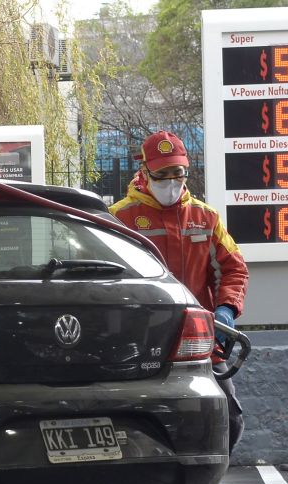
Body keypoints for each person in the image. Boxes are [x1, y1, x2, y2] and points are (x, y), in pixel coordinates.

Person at [110, 130, 249, 453]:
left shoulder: (206, 218)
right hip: (141, 341)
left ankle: (203, 478)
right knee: (138, 423)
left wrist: (226, 309)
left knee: (228, 419)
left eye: (178, 173)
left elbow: (233, 268)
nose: (172, 182)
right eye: (163, 174)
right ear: (145, 171)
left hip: (199, 341)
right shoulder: (120, 219)